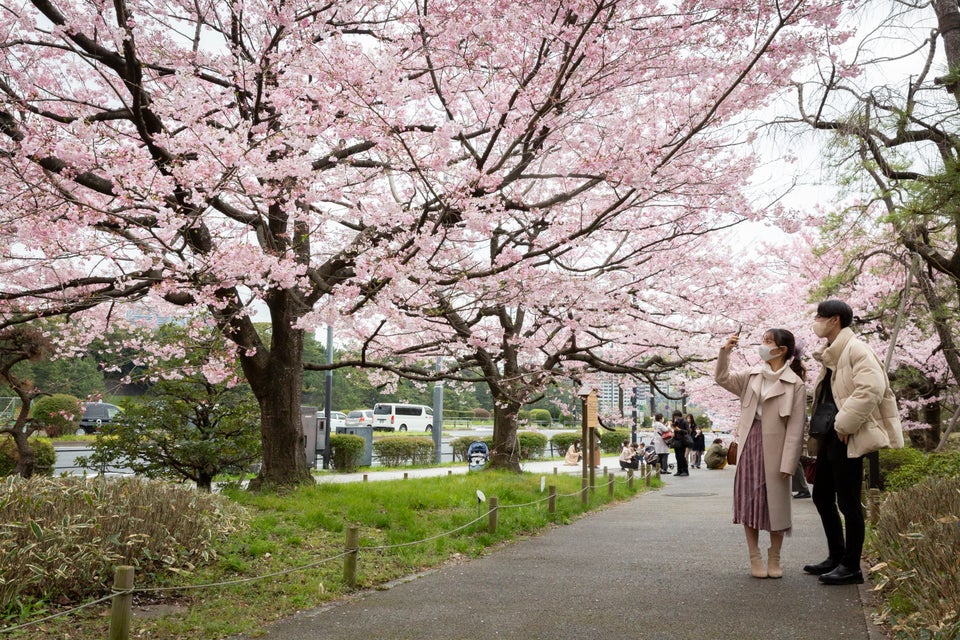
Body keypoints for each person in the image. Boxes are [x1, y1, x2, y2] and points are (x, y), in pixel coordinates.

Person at [804, 300, 903, 586]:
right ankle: (836, 556)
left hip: (847, 434)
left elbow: (871, 389)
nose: (816, 320)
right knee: (821, 495)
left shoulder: (857, 349)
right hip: (831, 436)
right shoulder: (833, 351)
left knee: (848, 501)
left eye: (820, 316)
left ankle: (851, 566)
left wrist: (844, 424)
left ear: (834, 320)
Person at [715, 327, 806, 579]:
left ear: (782, 349)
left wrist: (789, 462)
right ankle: (754, 556)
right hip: (750, 444)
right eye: (763, 341)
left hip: (777, 448)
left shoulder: (794, 384)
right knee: (749, 500)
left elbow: (797, 427)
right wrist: (725, 352)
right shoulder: (751, 375)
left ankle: (774, 556)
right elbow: (722, 379)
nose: (763, 345)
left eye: (768, 342)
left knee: (775, 504)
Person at [671, 411, 690, 477]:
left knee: (682, 456)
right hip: (676, 441)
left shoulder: (684, 422)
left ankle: (685, 471)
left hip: (682, 441)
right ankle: (679, 471)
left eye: (676, 417)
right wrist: (674, 432)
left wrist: (679, 430)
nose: (676, 418)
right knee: (677, 456)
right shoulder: (675, 423)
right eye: (674, 417)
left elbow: (687, 431)